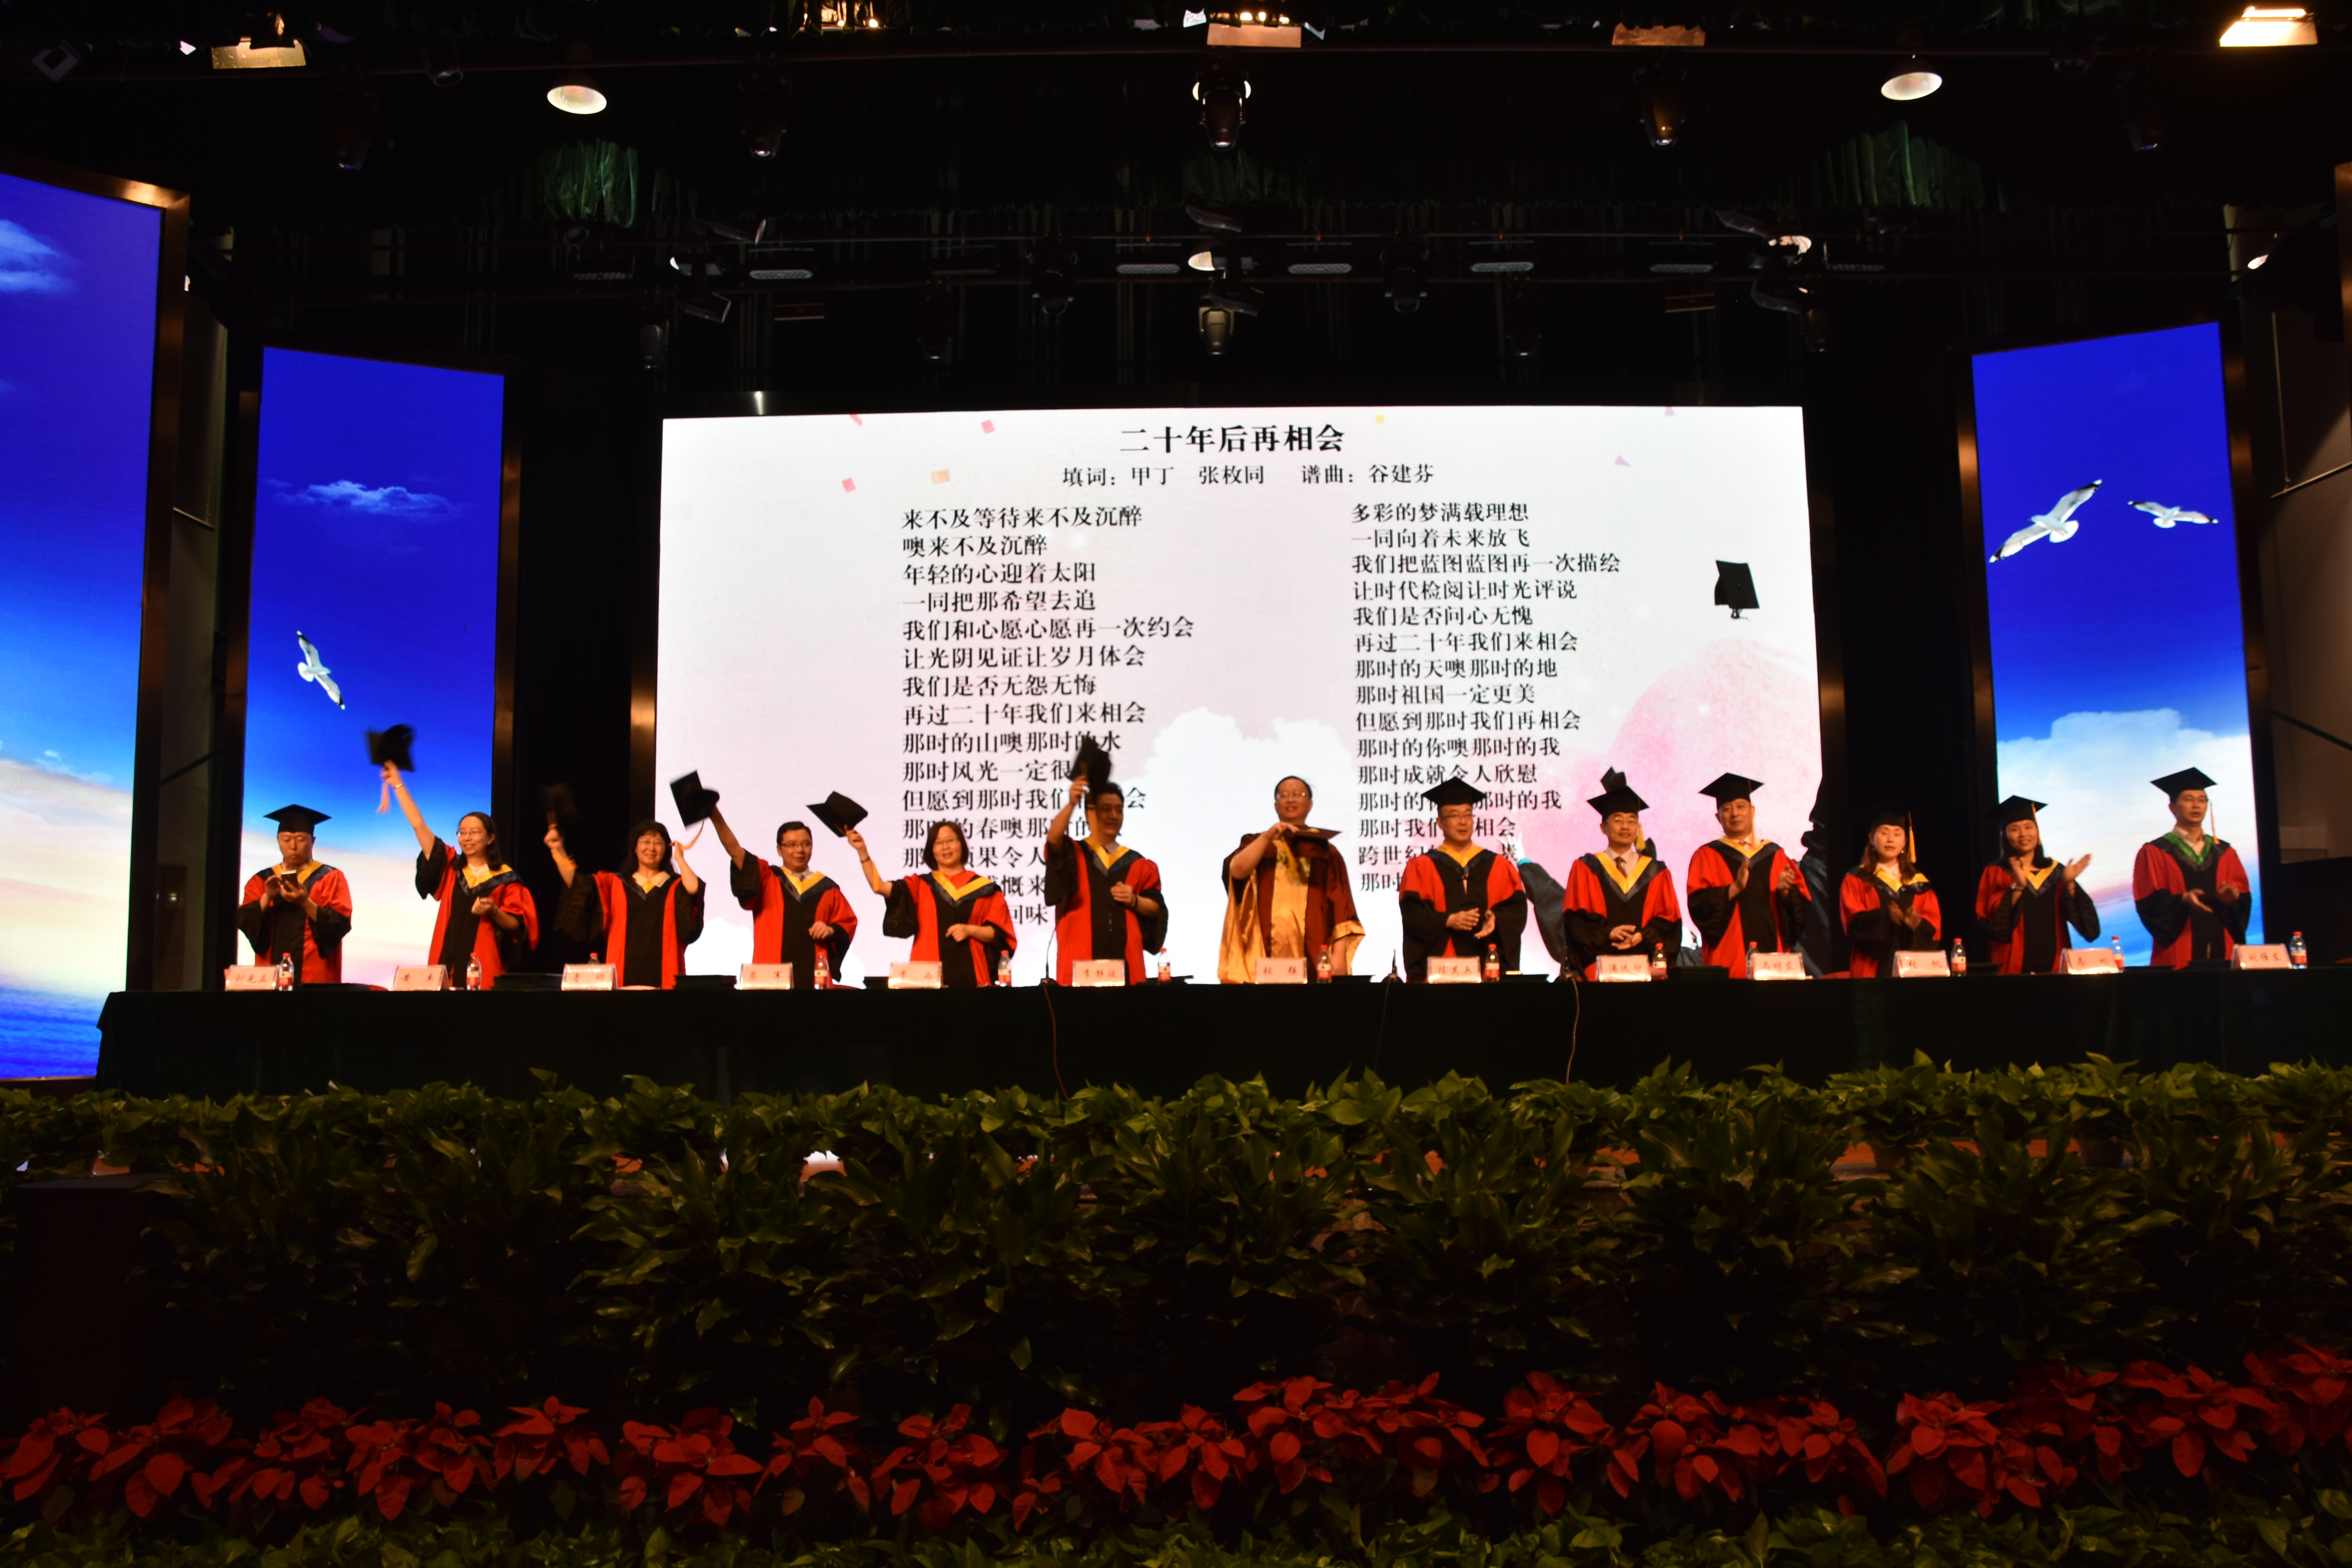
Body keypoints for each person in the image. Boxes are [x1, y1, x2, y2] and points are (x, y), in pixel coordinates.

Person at [384, 765, 537, 986]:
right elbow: (419, 826)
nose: (467, 838)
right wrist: (398, 785)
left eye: (474, 833)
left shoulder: (506, 880)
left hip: (484, 967)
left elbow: (518, 927)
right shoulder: (451, 868)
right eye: (462, 833)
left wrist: (494, 911)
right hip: (445, 964)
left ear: (490, 838)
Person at [1216, 775, 1365, 983]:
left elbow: (1342, 905)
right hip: (1261, 954)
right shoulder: (1257, 843)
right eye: (1284, 795)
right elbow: (1237, 873)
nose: (1291, 799)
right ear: (1276, 805)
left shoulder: (1326, 852)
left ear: (1310, 804)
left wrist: (1340, 956)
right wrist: (1268, 837)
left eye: (1298, 794)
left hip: (1314, 953)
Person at [849, 819, 1015, 986]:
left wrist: (970, 930)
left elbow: (999, 933)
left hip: (975, 978)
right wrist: (863, 852)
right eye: (938, 843)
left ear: (962, 845)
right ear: (932, 851)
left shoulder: (986, 889)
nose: (945, 847)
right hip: (927, 979)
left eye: (951, 840)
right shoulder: (920, 885)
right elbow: (880, 887)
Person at [711, 802, 857, 987]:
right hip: (771, 981)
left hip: (815, 979)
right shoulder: (767, 879)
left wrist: (830, 930)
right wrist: (715, 815)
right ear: (779, 850)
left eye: (806, 844)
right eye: (792, 845)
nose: (800, 851)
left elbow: (847, 923)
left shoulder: (828, 889)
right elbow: (736, 852)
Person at [1398, 777, 1528, 982]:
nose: (1463, 822)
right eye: (1454, 815)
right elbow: (1412, 914)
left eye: (1468, 815)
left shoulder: (1499, 866)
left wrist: (1497, 918)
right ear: (1440, 823)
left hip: (1489, 972)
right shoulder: (1422, 867)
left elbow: (1516, 910)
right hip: (1439, 974)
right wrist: (1448, 920)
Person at [549, 818, 704, 989]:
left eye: (658, 843)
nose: (652, 848)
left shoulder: (675, 885)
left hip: (666, 977)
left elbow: (693, 888)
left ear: (666, 849)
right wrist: (557, 850)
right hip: (622, 975)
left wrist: (680, 859)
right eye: (646, 842)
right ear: (635, 848)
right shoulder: (614, 883)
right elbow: (577, 883)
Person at [1683, 772, 1811, 977]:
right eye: (1727, 809)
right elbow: (1699, 906)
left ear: (1752, 811)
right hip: (1730, 961)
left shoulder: (1776, 855)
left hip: (1775, 961)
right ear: (1718, 817)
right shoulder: (1706, 856)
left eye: (1741, 807)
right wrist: (1734, 889)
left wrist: (1786, 893)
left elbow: (1802, 909)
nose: (1735, 814)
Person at [1044, 777, 1167, 983]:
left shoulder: (1138, 863)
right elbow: (1054, 839)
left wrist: (1135, 900)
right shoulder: (1074, 855)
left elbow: (1156, 908)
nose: (1114, 816)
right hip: (1080, 963)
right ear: (1089, 814)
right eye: (1106, 809)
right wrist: (1072, 803)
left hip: (1128, 964)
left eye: (1119, 810)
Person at [1561, 770, 1682, 978]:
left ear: (1638, 828)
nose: (1625, 826)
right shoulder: (1585, 868)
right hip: (1598, 971)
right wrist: (1608, 933)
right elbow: (1576, 920)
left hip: (1646, 971)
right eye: (1618, 820)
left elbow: (1669, 921)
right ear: (1603, 828)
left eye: (1632, 821)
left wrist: (1643, 936)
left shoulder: (1657, 872)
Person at [2133, 767, 2252, 968]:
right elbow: (2149, 903)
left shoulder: (2225, 851)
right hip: (2180, 946)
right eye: (2188, 799)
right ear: (2172, 807)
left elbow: (2243, 897)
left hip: (2222, 943)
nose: (2196, 805)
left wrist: (2232, 898)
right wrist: (2183, 899)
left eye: (2202, 800)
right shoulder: (2154, 852)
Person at [1975, 796, 2097, 975]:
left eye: (2028, 827)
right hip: (2013, 971)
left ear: (2037, 832)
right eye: (2015, 829)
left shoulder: (2057, 872)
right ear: (2005, 836)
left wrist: (2070, 884)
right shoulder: (1997, 873)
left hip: (2056, 970)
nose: (2023, 834)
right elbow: (1994, 927)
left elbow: (2089, 928)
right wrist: (2018, 888)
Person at [236, 805, 354, 986]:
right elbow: (245, 920)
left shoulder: (331, 878)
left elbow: (340, 923)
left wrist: (305, 902)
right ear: (278, 840)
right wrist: (268, 897)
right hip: (270, 974)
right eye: (286, 840)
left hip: (315, 974)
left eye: (301, 840)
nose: (293, 847)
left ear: (313, 841)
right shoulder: (262, 880)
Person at [1840, 807, 1942, 977]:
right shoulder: (1857, 879)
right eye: (1884, 833)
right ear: (1872, 839)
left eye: (1897, 834)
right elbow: (1853, 922)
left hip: (1911, 967)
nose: (1891, 840)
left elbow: (1934, 928)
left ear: (1905, 842)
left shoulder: (1919, 884)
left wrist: (1916, 924)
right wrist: (1885, 917)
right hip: (1871, 965)